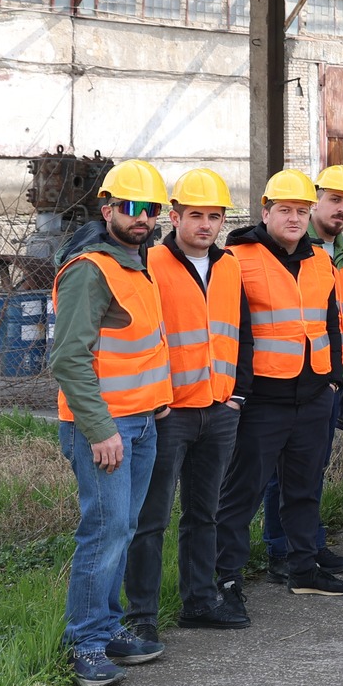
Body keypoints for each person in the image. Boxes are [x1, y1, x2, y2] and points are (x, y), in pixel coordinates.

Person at [51, 160, 175, 686]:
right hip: (105, 427)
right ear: (107, 210)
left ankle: (106, 627)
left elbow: (140, 346)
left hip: (141, 421)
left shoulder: (134, 263)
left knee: (122, 529)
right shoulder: (91, 270)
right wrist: (101, 430)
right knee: (104, 532)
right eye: (131, 207)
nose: (142, 217)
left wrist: (157, 401)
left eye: (151, 208)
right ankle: (85, 642)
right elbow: (69, 359)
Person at [210, 170, 343, 611]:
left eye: (301, 211)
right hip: (262, 400)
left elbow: (330, 322)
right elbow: (229, 329)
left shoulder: (320, 261)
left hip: (313, 394)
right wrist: (238, 391)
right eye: (285, 209)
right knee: (242, 493)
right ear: (266, 211)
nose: (294, 218)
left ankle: (303, 569)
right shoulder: (235, 258)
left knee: (304, 489)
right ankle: (226, 581)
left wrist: (333, 376)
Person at [124, 167, 244, 648]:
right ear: (174, 217)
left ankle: (199, 601)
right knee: (150, 519)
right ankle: (141, 616)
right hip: (169, 413)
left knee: (204, 513)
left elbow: (242, 331)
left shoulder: (229, 265)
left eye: (214, 216)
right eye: (196, 215)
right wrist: (156, 400)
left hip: (219, 409)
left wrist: (238, 395)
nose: (205, 225)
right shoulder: (150, 263)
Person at [260, 163, 343, 583]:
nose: (342, 210)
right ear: (313, 201)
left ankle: (310, 545)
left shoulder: (342, 255)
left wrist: (335, 375)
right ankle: (280, 550)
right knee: (280, 475)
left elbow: (339, 319)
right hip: (286, 381)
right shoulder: (295, 250)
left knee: (310, 470)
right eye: (334, 199)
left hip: (325, 379)